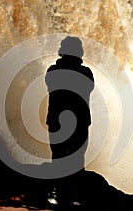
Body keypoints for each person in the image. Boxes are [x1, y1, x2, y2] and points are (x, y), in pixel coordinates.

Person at [45, 36, 94, 170]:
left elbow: (52, 86)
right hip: (80, 122)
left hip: (57, 121)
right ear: (79, 52)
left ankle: (57, 189)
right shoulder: (86, 72)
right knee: (77, 162)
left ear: (62, 51)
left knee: (57, 158)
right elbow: (88, 88)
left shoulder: (53, 70)